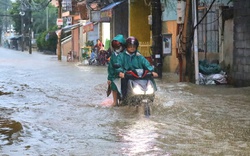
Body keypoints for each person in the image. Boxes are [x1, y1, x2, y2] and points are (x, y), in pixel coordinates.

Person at [107, 34, 126, 106]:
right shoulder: (113, 56)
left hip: (125, 75)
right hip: (115, 76)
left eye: (118, 46)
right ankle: (115, 102)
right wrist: (109, 79)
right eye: (115, 46)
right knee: (113, 85)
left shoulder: (126, 54)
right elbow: (110, 68)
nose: (117, 48)